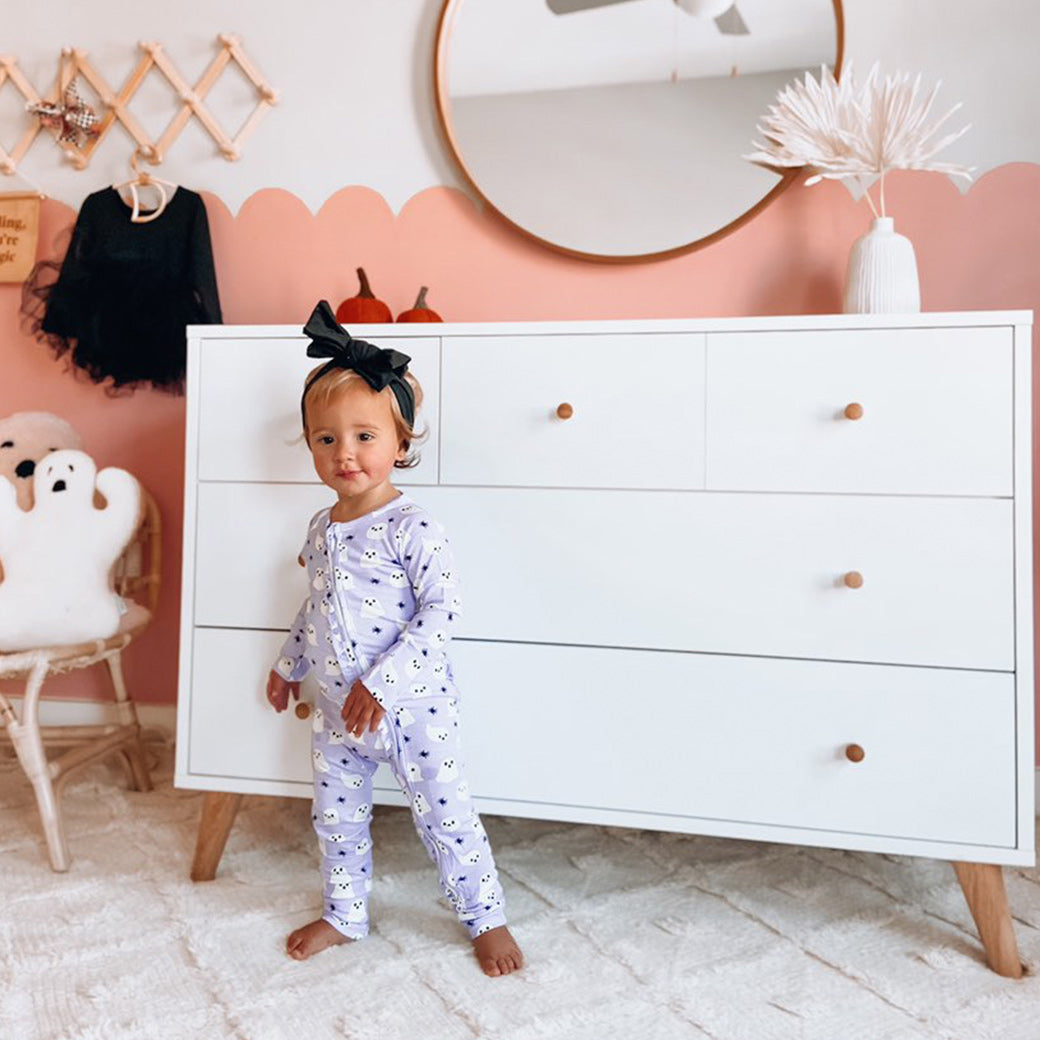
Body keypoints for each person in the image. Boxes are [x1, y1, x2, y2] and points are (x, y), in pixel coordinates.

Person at [266, 301, 524, 978]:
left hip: (411, 711)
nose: (344, 453)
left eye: (363, 436)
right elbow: (315, 605)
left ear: (401, 443)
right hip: (334, 713)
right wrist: (288, 663)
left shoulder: (413, 528)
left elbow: (442, 612)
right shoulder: (321, 527)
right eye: (326, 439)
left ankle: (485, 915)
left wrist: (381, 683)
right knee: (336, 820)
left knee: (446, 817)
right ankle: (345, 913)